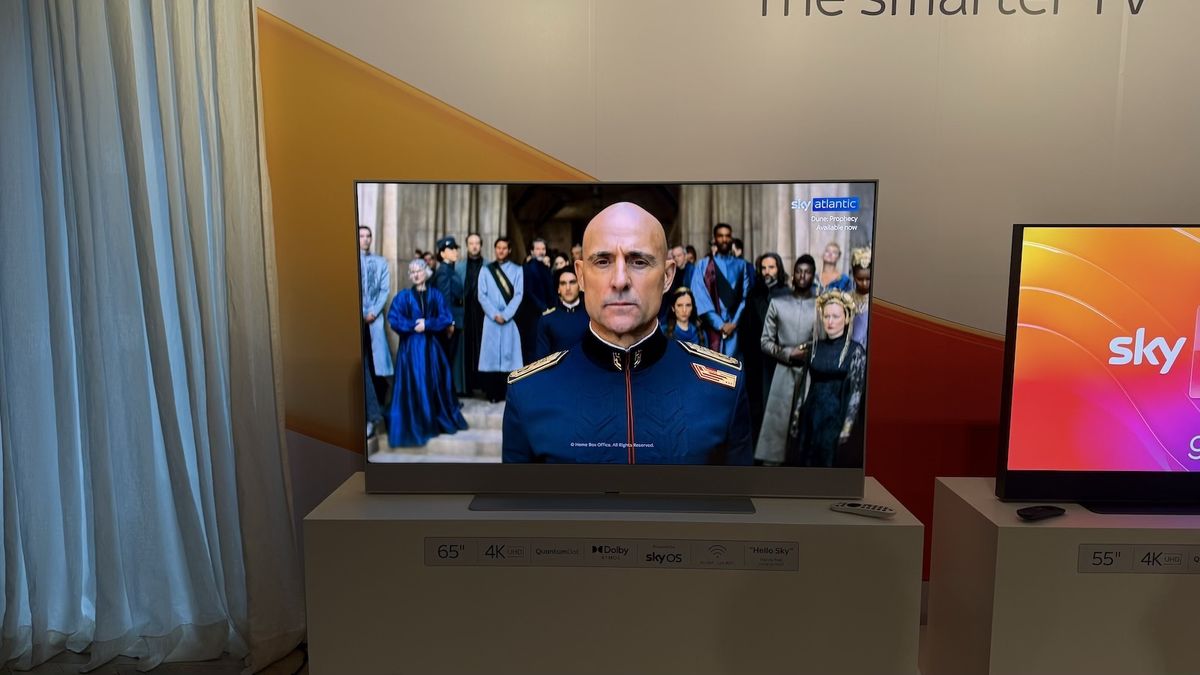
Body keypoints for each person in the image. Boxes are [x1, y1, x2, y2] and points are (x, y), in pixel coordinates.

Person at [502, 202, 751, 465]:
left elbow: (733, 502)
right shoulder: (529, 392)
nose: (620, 280)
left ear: (667, 276)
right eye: (602, 261)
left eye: (639, 261)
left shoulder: (723, 388)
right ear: (581, 276)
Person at [385, 259, 468, 447]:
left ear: (426, 272)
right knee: (414, 383)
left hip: (432, 349)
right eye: (412, 271)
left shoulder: (436, 295)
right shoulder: (403, 296)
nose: (415, 274)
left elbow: (446, 317)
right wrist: (415, 326)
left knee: (433, 382)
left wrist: (428, 324)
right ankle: (417, 422)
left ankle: (432, 419)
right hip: (411, 350)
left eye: (419, 270)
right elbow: (394, 319)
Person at [786, 290, 866, 467]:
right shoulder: (815, 348)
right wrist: (797, 416)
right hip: (811, 417)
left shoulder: (855, 351)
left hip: (835, 419)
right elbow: (804, 385)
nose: (830, 321)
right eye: (827, 316)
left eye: (836, 316)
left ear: (846, 319)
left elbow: (856, 392)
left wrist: (847, 426)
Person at [755, 255, 817, 465]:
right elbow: (764, 342)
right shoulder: (778, 303)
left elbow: (826, 340)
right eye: (799, 271)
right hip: (783, 371)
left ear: (813, 275)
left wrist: (809, 353)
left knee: (805, 425)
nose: (802, 275)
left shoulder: (820, 305)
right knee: (777, 423)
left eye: (807, 272)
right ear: (793, 274)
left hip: (811, 373)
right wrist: (789, 354)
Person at [742, 252, 790, 445]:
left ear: (778, 269)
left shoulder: (787, 294)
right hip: (757, 360)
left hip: (779, 358)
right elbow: (746, 329)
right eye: (764, 268)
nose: (767, 272)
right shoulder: (754, 293)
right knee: (758, 404)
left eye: (771, 267)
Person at [691, 223, 753, 357]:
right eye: (720, 236)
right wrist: (719, 324)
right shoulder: (703, 265)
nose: (724, 239)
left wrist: (733, 323)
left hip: (735, 330)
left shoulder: (741, 265)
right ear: (714, 238)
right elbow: (699, 296)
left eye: (727, 236)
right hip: (712, 329)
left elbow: (746, 297)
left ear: (731, 238)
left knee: (734, 371)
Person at [477, 236, 524, 402]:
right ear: (495, 249)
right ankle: (492, 394)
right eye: (498, 248)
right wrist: (494, 314)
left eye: (504, 248)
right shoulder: (485, 270)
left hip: (509, 320)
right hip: (491, 320)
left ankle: (507, 393)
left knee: (509, 356)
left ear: (509, 250)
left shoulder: (518, 270)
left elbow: (518, 295)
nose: (501, 250)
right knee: (491, 358)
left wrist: (505, 315)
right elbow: (481, 295)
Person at [358, 226, 393, 438]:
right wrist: (361, 311)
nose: (365, 239)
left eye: (368, 236)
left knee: (376, 366)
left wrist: (372, 311)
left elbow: (384, 289)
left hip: (374, 318)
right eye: (361, 235)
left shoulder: (380, 262)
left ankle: (377, 414)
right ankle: (373, 416)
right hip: (356, 317)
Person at [456, 232, 488, 396]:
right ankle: (466, 386)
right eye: (471, 243)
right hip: (466, 313)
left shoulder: (489, 265)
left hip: (484, 314)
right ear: (467, 246)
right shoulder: (459, 266)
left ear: (481, 245)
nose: (474, 246)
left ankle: (484, 385)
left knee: (483, 348)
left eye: (477, 243)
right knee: (466, 350)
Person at [535, 266, 590, 358]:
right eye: (563, 283)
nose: (568, 288)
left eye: (572, 282)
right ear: (558, 289)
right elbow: (541, 360)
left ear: (580, 286)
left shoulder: (592, 316)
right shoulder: (547, 320)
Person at [431, 236, 464, 383]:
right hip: (450, 320)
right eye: (451, 249)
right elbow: (444, 298)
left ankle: (447, 399)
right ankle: (445, 400)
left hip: (456, 317)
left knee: (450, 359)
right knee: (446, 360)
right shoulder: (444, 271)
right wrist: (449, 322)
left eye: (456, 248)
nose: (455, 251)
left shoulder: (450, 269)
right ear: (442, 253)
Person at [517, 237, 554, 364]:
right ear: (532, 252)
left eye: (543, 249)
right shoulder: (526, 268)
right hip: (532, 316)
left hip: (546, 314)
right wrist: (544, 308)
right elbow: (528, 292)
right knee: (532, 350)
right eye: (538, 249)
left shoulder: (545, 268)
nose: (541, 252)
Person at [849, 246, 871, 346]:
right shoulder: (847, 298)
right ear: (853, 276)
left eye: (868, 279)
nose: (864, 283)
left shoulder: (876, 301)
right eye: (860, 279)